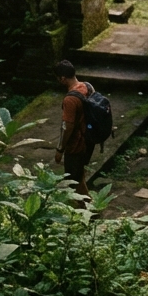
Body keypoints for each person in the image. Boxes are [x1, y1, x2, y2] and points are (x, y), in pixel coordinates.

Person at [53, 59, 93, 203]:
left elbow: (67, 127)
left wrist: (60, 149)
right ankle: (89, 205)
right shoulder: (88, 87)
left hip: (76, 146)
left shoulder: (70, 100)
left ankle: (86, 209)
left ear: (63, 78)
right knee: (79, 176)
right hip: (88, 140)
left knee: (73, 182)